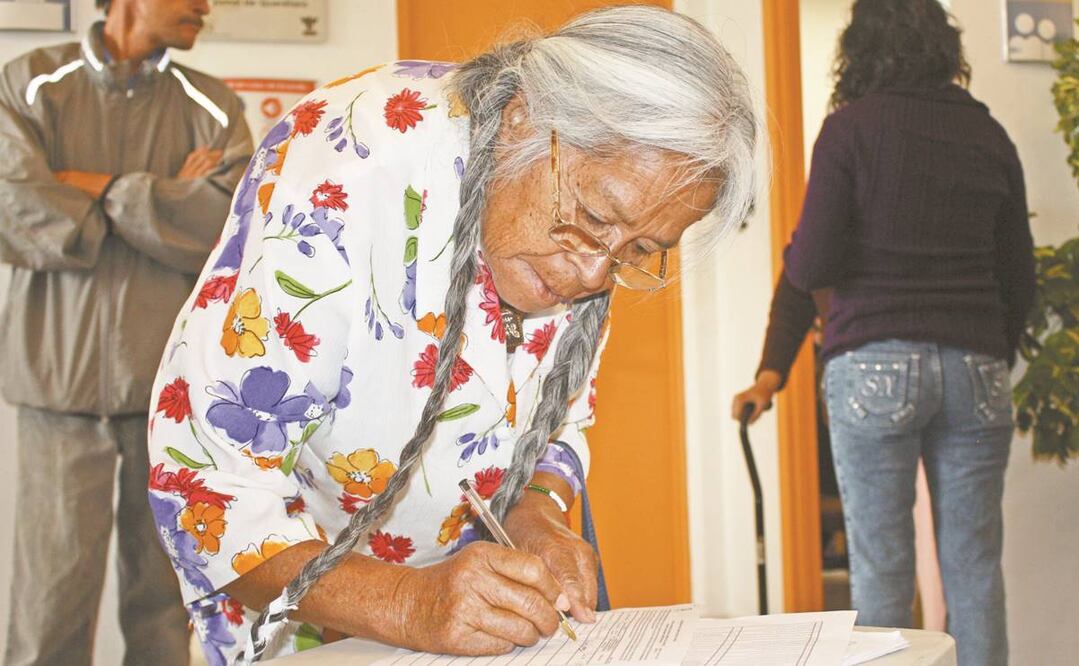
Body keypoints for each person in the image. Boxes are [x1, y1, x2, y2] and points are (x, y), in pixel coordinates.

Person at [145, 5, 758, 663]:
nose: (592, 272)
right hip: (293, 622)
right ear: (524, 116)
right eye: (591, 219)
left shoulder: (589, 230)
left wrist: (535, 517)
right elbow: (204, 491)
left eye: (639, 250)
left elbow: (554, 424)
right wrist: (406, 604)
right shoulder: (350, 163)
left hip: (461, 627)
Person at [735, 2, 1034, 665]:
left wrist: (777, 363)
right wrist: (985, 350)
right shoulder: (988, 135)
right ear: (940, 46)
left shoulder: (849, 131)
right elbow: (1018, 274)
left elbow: (807, 264)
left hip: (873, 366)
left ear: (859, 48)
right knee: (974, 567)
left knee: (881, 571)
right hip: (976, 367)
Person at [0, 0, 253, 662]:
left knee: (164, 603)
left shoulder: (214, 106)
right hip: (57, 382)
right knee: (50, 600)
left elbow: (224, 227)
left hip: (169, 391)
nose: (204, 7)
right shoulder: (28, 84)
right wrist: (163, 197)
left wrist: (98, 187)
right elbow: (15, 211)